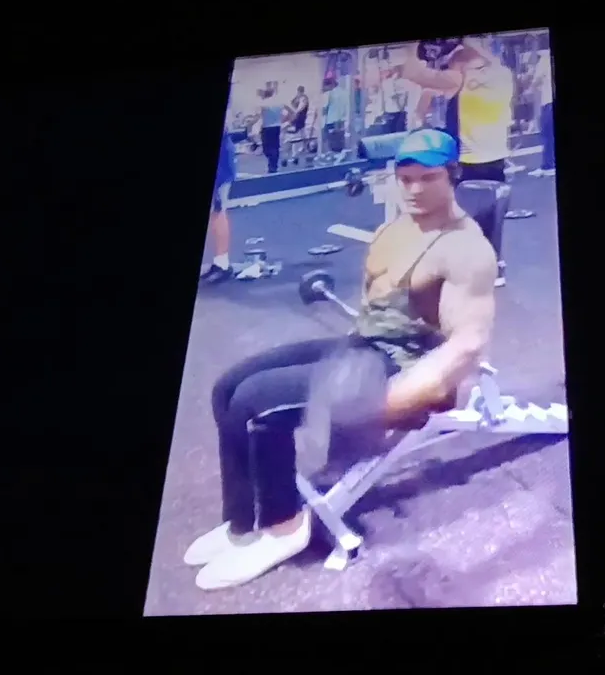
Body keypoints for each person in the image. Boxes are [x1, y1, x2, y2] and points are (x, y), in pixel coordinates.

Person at [184, 129, 498, 590]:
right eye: (405, 178)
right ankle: (242, 521)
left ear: (453, 175)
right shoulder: (400, 227)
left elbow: (466, 345)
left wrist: (401, 401)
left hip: (402, 366)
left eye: (427, 178)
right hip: (366, 344)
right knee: (228, 387)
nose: (413, 189)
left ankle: (284, 528)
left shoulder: (467, 250)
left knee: (257, 403)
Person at [401, 38, 516, 286]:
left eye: (451, 64)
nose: (448, 68)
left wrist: (410, 48)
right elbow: (433, 90)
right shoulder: (502, 75)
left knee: (457, 221)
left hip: (469, 163)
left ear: (461, 64)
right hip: (497, 161)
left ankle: (455, 271)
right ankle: (494, 267)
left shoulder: (462, 80)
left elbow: (413, 72)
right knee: (490, 220)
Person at [200, 124, 239, 285]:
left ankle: (223, 264)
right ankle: (218, 263)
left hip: (221, 167)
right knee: (215, 213)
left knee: (219, 211)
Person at [529, 49, 555, 177]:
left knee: (547, 135)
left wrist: (532, 88)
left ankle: (549, 165)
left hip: (548, 102)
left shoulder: (545, 59)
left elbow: (536, 81)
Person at [258, 84, 287, 173]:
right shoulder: (278, 103)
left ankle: (272, 165)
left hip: (267, 127)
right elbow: (288, 113)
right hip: (277, 127)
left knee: (267, 148)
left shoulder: (263, 103)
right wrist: (282, 120)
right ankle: (273, 165)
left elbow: (259, 115)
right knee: (275, 146)